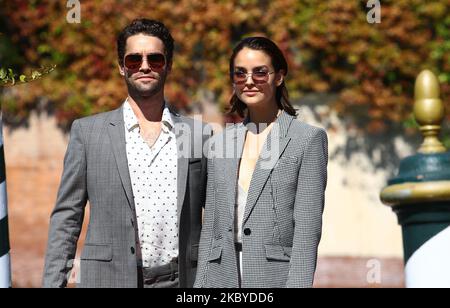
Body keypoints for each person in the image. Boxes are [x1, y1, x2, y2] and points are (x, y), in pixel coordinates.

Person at [43, 18, 211, 288]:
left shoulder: (199, 135)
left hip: (182, 282)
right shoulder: (87, 133)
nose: (144, 66)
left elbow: (216, 218)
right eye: (134, 60)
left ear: (168, 65)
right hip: (109, 280)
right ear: (121, 67)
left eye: (155, 59)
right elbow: (67, 217)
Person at [195, 37, 328, 288]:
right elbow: (210, 230)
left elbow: (307, 232)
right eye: (240, 73)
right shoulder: (218, 145)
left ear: (278, 77)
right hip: (221, 279)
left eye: (260, 72)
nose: (248, 81)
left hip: (274, 278)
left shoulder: (307, 139)